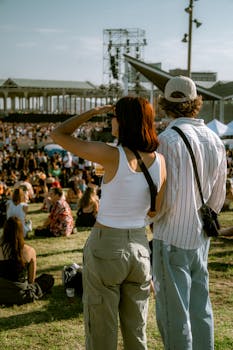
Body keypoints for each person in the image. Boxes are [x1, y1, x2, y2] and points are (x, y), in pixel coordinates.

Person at [51, 96, 166, 350]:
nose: (110, 120)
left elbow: (58, 134)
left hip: (107, 246)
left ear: (123, 121)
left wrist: (92, 111)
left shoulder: (111, 155)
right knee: (137, 333)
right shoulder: (160, 161)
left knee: (102, 331)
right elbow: (158, 210)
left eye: (113, 116)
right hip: (139, 246)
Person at [152, 76, 227, 350]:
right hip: (200, 236)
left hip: (171, 233)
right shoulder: (215, 140)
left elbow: (163, 197)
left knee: (174, 315)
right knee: (201, 310)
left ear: (166, 103)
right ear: (195, 103)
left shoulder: (166, 140)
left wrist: (153, 219)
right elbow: (217, 198)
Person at [0, 216, 54, 305]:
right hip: (21, 295)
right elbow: (31, 281)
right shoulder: (30, 251)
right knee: (48, 279)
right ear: (21, 231)